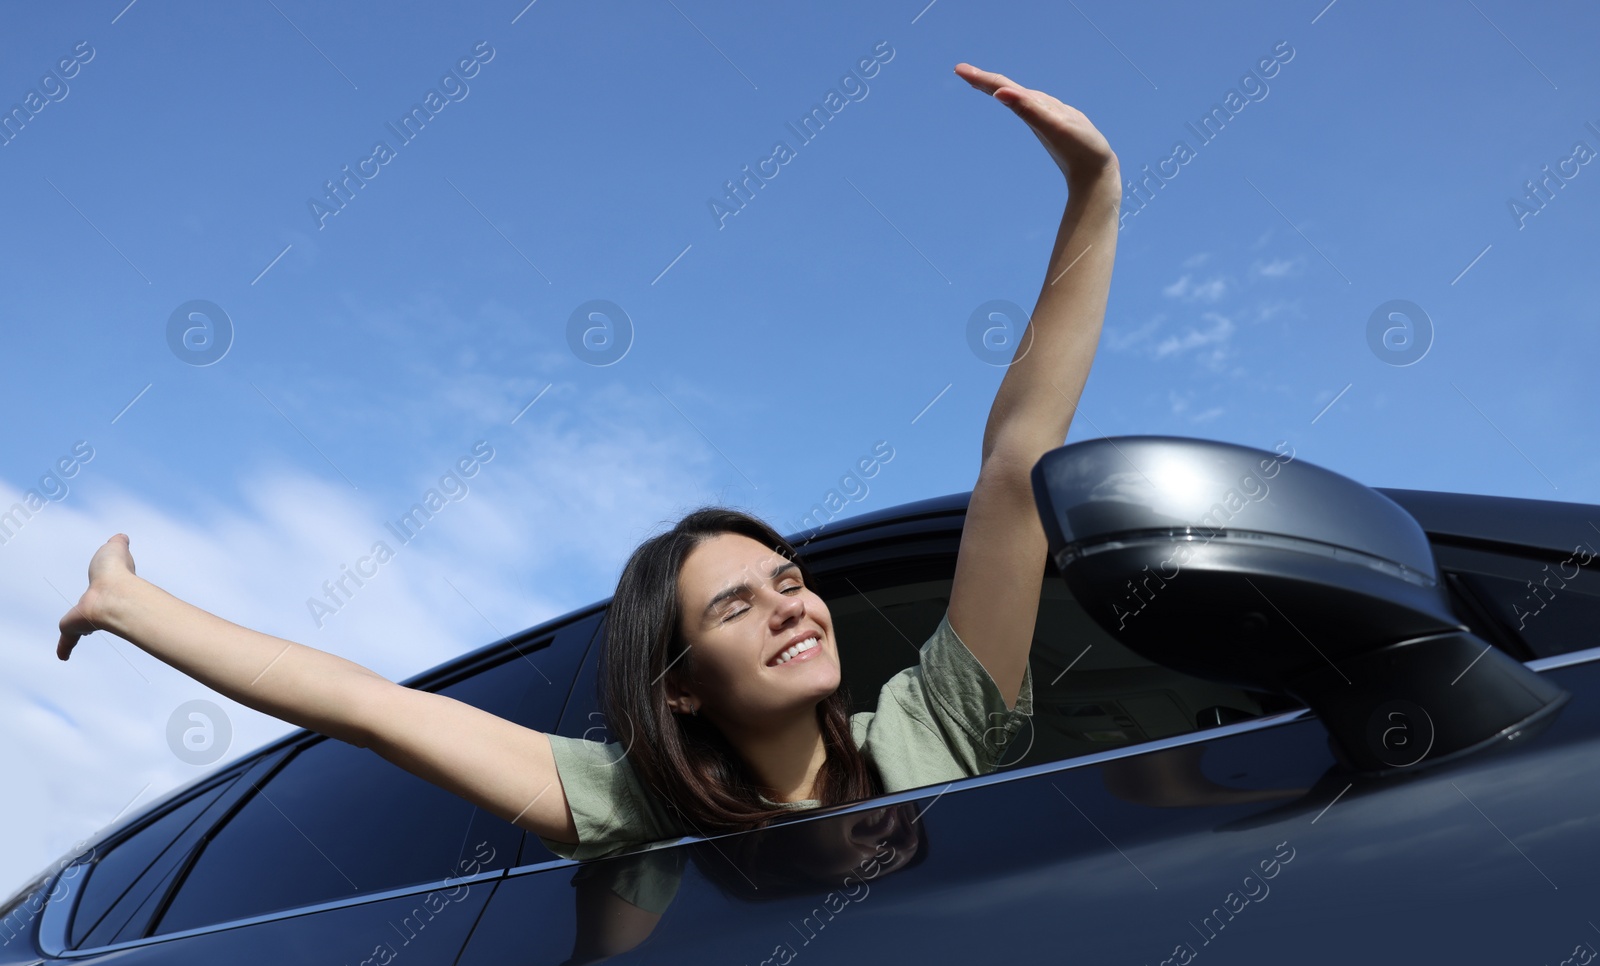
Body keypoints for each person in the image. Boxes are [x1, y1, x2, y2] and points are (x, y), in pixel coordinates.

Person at [57, 62, 1121, 870]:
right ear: (684, 689)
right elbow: (369, 707)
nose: (791, 607)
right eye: (736, 606)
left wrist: (1093, 193)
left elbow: (1013, 461)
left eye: (790, 582)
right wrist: (133, 606)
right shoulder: (643, 809)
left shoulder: (930, 726)